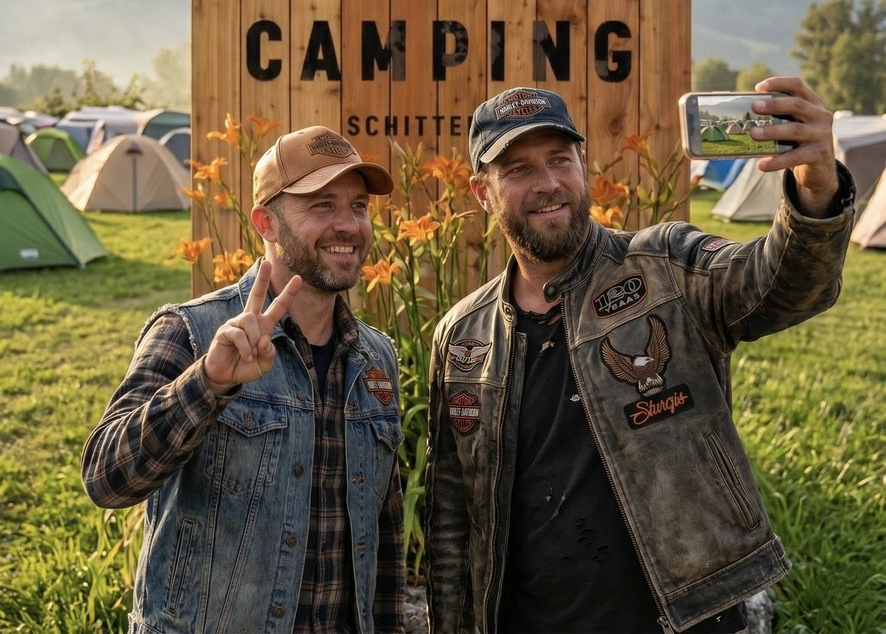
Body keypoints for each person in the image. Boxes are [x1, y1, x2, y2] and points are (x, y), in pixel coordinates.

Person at [425, 80, 855, 634]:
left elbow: (782, 285)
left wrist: (817, 186)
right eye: (518, 169)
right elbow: (452, 518)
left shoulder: (666, 268)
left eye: (560, 159)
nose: (549, 183)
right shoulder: (462, 336)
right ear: (481, 193)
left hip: (681, 619)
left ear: (583, 164)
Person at [82, 126, 406, 633]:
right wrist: (207, 382)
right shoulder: (191, 332)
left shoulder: (377, 360)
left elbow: (383, 544)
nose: (349, 225)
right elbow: (107, 479)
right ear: (266, 223)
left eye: (359, 206)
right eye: (322, 206)